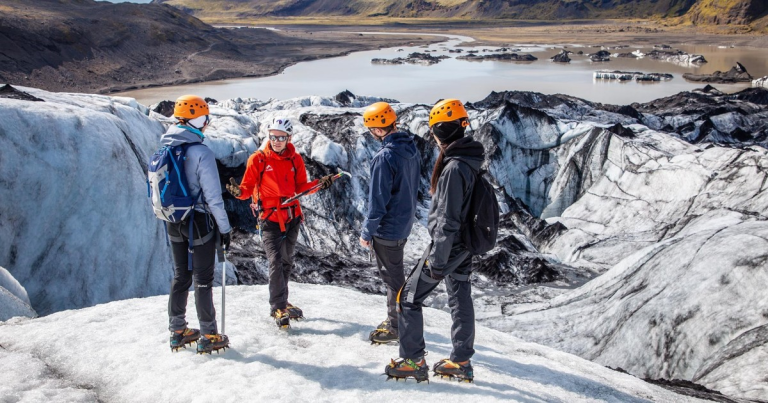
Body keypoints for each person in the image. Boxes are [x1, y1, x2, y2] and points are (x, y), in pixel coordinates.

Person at [385, 99, 483, 383]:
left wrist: (437, 261)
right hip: (464, 246)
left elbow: (448, 219)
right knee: (459, 297)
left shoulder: (453, 168)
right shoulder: (470, 159)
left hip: (448, 247)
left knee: (408, 297)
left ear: (440, 132)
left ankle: (414, 362)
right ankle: (461, 361)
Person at [226, 117, 334, 328]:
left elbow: (301, 186)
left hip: (292, 217)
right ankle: (277, 306)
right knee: (275, 261)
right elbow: (247, 188)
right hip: (269, 219)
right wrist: (238, 192)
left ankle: (282, 301)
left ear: (289, 138)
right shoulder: (258, 160)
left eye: (281, 137)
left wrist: (319, 184)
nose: (276, 141)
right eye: (273, 137)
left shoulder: (295, 160)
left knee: (286, 261)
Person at [164, 95, 232, 354]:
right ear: (199, 119)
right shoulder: (201, 152)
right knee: (203, 280)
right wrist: (224, 230)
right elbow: (214, 199)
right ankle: (209, 334)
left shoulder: (166, 148)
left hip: (173, 221)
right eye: (205, 118)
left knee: (181, 276)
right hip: (200, 223)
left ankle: (177, 331)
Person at [359, 102, 421, 344]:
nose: (372, 133)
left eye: (372, 129)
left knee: (392, 279)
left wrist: (367, 232)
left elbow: (377, 201)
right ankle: (397, 320)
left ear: (378, 130)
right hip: (404, 223)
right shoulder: (410, 148)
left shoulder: (384, 157)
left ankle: (396, 327)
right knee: (395, 275)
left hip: (388, 228)